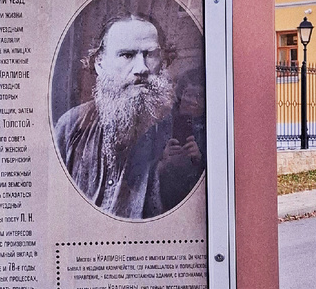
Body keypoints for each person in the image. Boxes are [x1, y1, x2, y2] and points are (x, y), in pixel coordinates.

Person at [54, 13, 205, 219]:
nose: (141, 68)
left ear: (163, 61)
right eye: (127, 55)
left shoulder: (184, 126)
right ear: (99, 63)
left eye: (150, 54)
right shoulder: (70, 126)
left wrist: (182, 170)